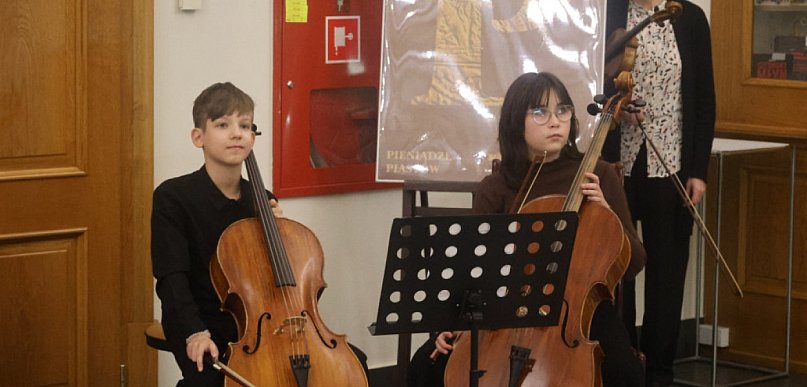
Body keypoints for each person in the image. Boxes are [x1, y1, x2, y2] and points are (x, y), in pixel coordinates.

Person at [408, 72, 646, 387]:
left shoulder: (598, 175)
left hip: (578, 310)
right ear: (514, 123)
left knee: (625, 374)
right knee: (425, 367)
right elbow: (471, 271)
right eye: (540, 112)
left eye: (562, 110)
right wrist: (450, 324)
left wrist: (606, 213)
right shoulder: (497, 186)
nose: (555, 121)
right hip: (507, 309)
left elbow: (635, 264)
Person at [151, 82, 368, 386]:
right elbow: (171, 278)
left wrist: (283, 235)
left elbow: (287, 282)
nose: (236, 133)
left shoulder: (262, 199)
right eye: (223, 124)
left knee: (352, 363)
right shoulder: (173, 197)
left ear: (253, 135)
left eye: (244, 125)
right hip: (202, 321)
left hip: (268, 326)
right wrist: (195, 333)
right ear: (198, 137)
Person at [603, 1, 716, 386]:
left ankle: (660, 372)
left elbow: (704, 98)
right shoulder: (611, 12)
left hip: (671, 162)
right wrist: (616, 105)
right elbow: (591, 78)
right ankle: (624, 364)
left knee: (667, 271)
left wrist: (698, 171)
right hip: (617, 165)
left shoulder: (690, 18)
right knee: (619, 267)